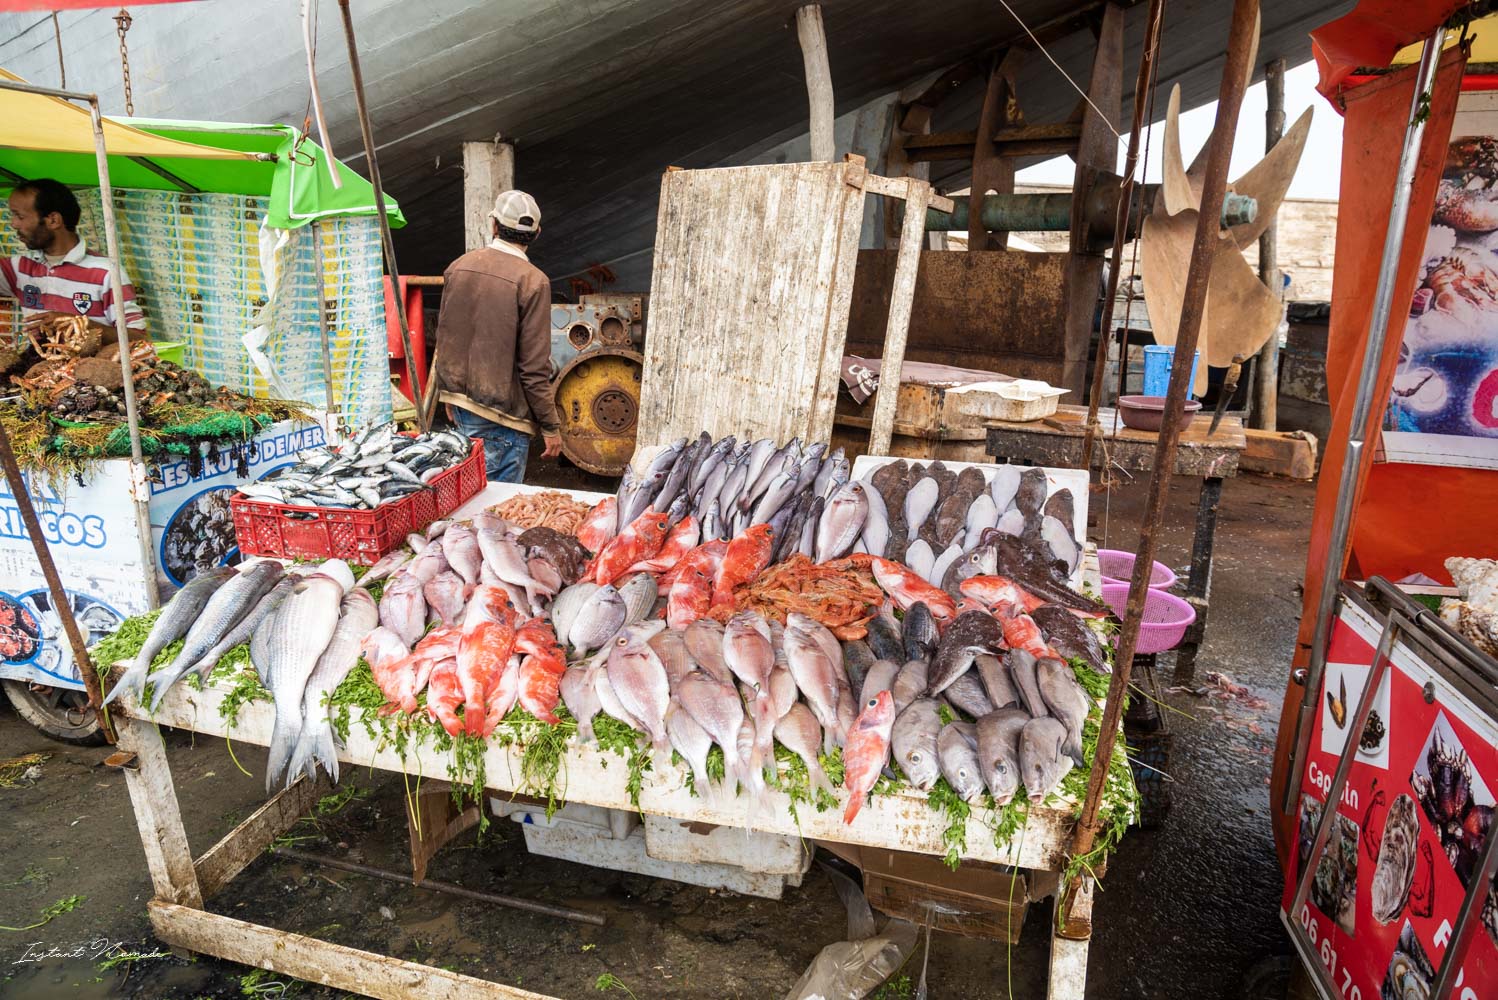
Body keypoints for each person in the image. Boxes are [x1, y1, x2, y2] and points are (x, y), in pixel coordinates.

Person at [434, 189, 561, 483]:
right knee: (495, 511)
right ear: (537, 233)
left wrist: (449, 395)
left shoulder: (458, 267)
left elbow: (447, 338)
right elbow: (533, 367)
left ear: (493, 225)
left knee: (469, 495)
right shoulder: (533, 281)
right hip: (504, 417)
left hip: (463, 404)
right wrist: (550, 426)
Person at [1, 178, 147, 341]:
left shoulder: (106, 273)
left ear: (53, 220)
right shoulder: (20, 267)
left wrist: (78, 324)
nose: (13, 224)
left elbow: (138, 338)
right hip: (39, 364)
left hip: (91, 365)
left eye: (20, 217)